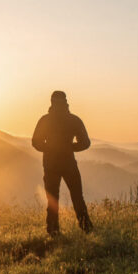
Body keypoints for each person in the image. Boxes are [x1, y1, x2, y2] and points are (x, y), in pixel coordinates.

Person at [32, 90, 93, 236]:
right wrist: (69, 147)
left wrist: (50, 148)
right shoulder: (73, 120)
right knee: (77, 196)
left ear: (51, 102)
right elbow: (85, 143)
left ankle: (53, 230)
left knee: (52, 199)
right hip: (69, 163)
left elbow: (35, 142)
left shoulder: (45, 120)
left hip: (50, 164)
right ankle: (86, 228)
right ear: (66, 101)